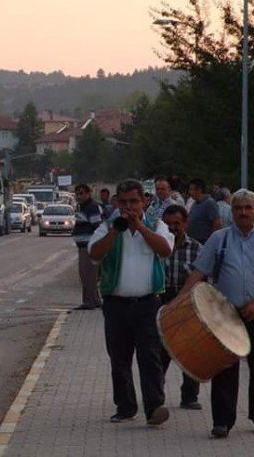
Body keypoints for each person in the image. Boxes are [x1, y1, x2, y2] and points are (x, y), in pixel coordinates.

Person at [180, 189, 254, 438]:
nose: (244, 212)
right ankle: (222, 421)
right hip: (226, 313)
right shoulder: (219, 239)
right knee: (224, 367)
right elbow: (199, 272)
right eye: (239, 208)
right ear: (232, 211)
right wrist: (179, 301)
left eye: (248, 208)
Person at [89, 180, 174, 426]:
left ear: (144, 202)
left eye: (134, 202)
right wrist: (116, 231)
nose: (129, 207)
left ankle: (154, 407)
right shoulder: (108, 226)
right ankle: (125, 407)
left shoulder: (157, 225)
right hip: (116, 304)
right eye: (124, 202)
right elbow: (94, 254)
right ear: (117, 202)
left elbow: (165, 250)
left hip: (148, 303)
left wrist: (140, 227)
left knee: (150, 357)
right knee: (119, 357)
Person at [160, 204, 202, 410]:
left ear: (185, 223)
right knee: (159, 350)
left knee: (190, 350)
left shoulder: (196, 248)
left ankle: (190, 396)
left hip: (187, 302)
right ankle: (156, 394)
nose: (172, 228)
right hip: (162, 300)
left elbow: (204, 278)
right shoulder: (157, 245)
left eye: (177, 223)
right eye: (167, 224)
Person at [72, 184, 103, 310]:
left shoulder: (91, 207)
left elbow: (97, 227)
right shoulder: (83, 207)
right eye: (77, 194)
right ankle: (95, 300)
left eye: (81, 193)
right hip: (83, 246)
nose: (79, 196)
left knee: (87, 275)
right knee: (87, 274)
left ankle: (89, 301)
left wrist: (95, 245)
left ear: (88, 194)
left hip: (89, 246)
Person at [187, 178, 222, 244]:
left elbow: (217, 222)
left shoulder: (209, 203)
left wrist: (212, 242)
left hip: (204, 242)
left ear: (199, 190)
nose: (189, 192)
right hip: (194, 243)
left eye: (191, 189)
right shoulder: (194, 204)